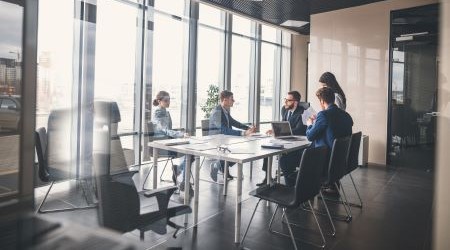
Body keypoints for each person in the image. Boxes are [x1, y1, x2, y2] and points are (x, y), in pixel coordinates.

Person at [306, 87, 353, 194]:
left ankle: (303, 191)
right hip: (341, 160)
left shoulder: (323, 115)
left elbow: (310, 136)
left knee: (295, 158)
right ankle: (331, 185)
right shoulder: (346, 115)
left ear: (322, 101)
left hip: (326, 161)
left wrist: (310, 124)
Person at [257, 91, 307, 187]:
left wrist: (282, 132)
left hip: (296, 140)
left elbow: (299, 129)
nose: (285, 102)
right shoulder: (284, 109)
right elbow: (283, 124)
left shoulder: (302, 112)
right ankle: (267, 177)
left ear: (295, 102)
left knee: (285, 159)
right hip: (283, 138)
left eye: (288, 100)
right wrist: (274, 130)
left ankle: (291, 184)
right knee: (268, 148)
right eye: (285, 100)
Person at [152, 91, 193, 194]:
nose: (168, 102)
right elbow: (165, 130)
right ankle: (184, 182)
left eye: (169, 99)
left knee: (191, 153)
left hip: (168, 142)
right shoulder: (157, 114)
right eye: (166, 100)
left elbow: (169, 130)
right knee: (190, 153)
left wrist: (180, 136)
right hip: (161, 145)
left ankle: (179, 171)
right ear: (159, 101)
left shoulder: (167, 112)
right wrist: (181, 135)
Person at [208, 90, 256, 181]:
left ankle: (220, 167)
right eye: (232, 99)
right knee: (235, 152)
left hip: (224, 139)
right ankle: (217, 166)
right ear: (225, 100)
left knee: (238, 151)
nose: (233, 101)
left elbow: (234, 122)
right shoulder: (217, 112)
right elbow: (223, 129)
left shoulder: (225, 110)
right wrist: (242, 133)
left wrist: (247, 128)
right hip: (216, 140)